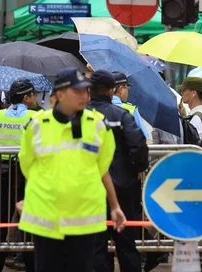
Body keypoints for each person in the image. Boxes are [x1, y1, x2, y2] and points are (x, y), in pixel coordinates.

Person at [17, 67, 126, 272]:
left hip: (83, 219)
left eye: (86, 90)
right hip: (46, 219)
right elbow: (27, 165)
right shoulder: (37, 126)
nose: (84, 95)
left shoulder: (98, 126)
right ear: (59, 94)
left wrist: (115, 206)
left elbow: (102, 168)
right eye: (77, 91)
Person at [87, 70, 150, 272]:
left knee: (97, 246)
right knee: (126, 245)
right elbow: (139, 145)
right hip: (123, 187)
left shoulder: (82, 116)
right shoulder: (121, 115)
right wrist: (137, 170)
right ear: (111, 90)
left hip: (90, 188)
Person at [0, 79, 38, 272]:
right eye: (34, 95)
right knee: (29, 222)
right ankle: (32, 266)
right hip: (27, 174)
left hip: (1, 173)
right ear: (27, 97)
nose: (35, 99)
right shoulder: (35, 118)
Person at [178, 77, 202, 150]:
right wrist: (184, 115)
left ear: (193, 93)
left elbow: (193, 144)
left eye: (184, 90)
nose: (181, 93)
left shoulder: (197, 117)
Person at [111, 71, 150, 140]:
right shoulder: (131, 110)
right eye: (127, 88)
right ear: (121, 89)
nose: (128, 92)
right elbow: (144, 137)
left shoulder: (97, 108)